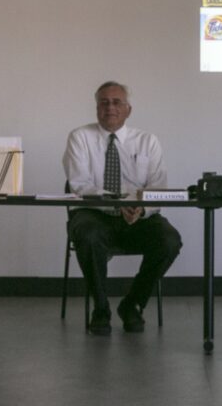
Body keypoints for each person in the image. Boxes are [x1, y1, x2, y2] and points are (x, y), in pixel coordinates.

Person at [63, 81, 182, 336]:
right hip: (94, 213)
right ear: (97, 108)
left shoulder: (148, 141)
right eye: (104, 102)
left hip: (138, 216)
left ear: (129, 109)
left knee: (170, 240)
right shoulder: (79, 137)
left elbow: (158, 187)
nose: (110, 107)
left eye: (117, 102)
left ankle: (132, 304)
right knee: (88, 235)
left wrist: (139, 208)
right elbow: (79, 184)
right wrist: (118, 201)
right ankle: (101, 309)